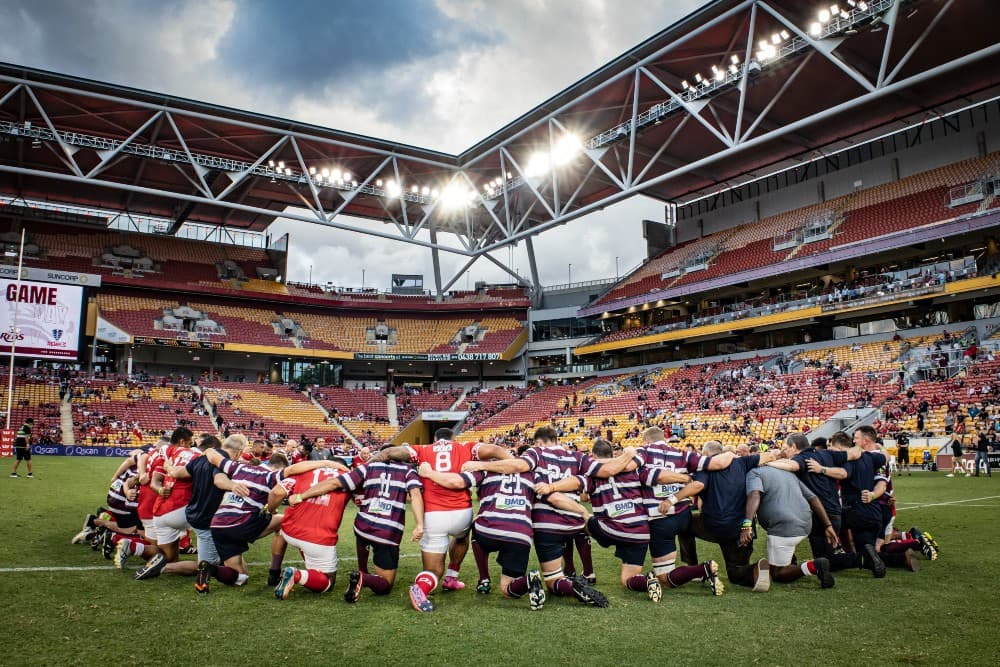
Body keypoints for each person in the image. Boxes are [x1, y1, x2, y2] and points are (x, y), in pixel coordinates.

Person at [460, 425, 625, 607]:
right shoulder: (578, 457)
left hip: (546, 524)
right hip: (574, 520)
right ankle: (588, 572)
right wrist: (631, 455)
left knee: (553, 580)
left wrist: (481, 464)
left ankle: (566, 585)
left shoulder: (536, 454)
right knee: (580, 535)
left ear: (538, 442)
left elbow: (519, 465)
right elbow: (607, 469)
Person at [418, 460, 581, 611]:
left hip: (488, 530)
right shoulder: (534, 474)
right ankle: (528, 580)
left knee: (474, 526)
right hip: (520, 535)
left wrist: (430, 473)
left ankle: (484, 578)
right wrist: (582, 513)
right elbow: (552, 497)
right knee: (507, 589)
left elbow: (455, 482)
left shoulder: (484, 469)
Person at [371, 428, 495, 611]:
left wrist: (368, 466)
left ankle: (421, 587)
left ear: (435, 439)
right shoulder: (466, 447)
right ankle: (452, 577)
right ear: (453, 439)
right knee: (462, 538)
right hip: (462, 513)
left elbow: (389, 452)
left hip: (433, 515)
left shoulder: (422, 449)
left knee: (433, 571)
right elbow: (494, 450)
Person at [282, 450, 424, 603]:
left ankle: (361, 570)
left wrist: (301, 496)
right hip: (387, 531)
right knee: (385, 585)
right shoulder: (408, 471)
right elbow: (415, 496)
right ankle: (363, 577)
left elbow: (334, 483)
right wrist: (419, 525)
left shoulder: (368, 467)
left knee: (363, 536)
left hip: (362, 526)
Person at [635, 427, 730, 596]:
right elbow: (716, 463)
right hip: (683, 515)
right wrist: (685, 477)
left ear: (647, 440)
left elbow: (647, 477)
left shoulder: (643, 451)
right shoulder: (683, 454)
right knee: (682, 537)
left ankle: (702, 569)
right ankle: (695, 570)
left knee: (664, 578)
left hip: (660, 518)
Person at [678, 441, 777, 590]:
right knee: (735, 572)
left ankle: (693, 568)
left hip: (713, 525)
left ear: (705, 454)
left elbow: (694, 487)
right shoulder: (742, 462)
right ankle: (753, 570)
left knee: (684, 522)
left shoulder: (704, 468)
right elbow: (770, 456)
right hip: (742, 528)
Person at [766, 432, 862, 572]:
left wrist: (766, 462)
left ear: (794, 446)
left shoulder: (801, 458)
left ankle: (862, 558)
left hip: (819, 513)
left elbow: (793, 466)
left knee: (824, 560)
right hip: (835, 511)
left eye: (786, 448)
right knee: (825, 556)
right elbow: (855, 452)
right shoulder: (826, 454)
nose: (784, 451)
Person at [197, 447, 289, 588]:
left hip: (218, 525)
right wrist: (270, 510)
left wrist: (206, 451)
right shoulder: (271, 476)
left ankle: (211, 569)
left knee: (241, 577)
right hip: (240, 524)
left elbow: (211, 454)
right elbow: (277, 493)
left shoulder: (239, 467)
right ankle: (274, 572)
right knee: (286, 520)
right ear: (280, 468)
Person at [804, 426, 887, 577]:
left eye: (832, 448)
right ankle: (859, 554)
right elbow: (885, 457)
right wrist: (880, 446)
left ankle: (900, 555)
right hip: (873, 510)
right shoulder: (869, 456)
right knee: (868, 549)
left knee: (866, 554)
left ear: (841, 448)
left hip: (857, 510)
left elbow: (843, 473)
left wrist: (821, 469)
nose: (830, 451)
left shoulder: (850, 460)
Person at [741, 465, 836, 590]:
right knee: (785, 553)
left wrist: (746, 524)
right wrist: (828, 525)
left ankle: (814, 565)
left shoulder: (754, 473)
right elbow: (813, 498)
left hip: (783, 526)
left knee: (778, 573)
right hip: (805, 523)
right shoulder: (788, 473)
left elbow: (754, 494)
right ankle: (791, 561)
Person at [268, 458, 351, 599]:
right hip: (317, 537)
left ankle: (274, 571)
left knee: (283, 530)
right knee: (327, 582)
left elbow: (277, 492)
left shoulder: (305, 470)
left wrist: (270, 509)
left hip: (289, 531)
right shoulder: (348, 476)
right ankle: (297, 574)